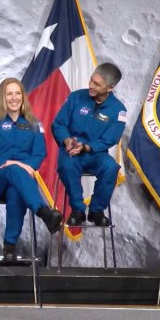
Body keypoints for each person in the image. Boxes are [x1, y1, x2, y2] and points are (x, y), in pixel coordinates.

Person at [0, 78, 63, 261]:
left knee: (16, 191)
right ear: (3, 97)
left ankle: (9, 247)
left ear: (23, 96)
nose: (14, 98)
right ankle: (43, 212)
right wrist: (14, 164)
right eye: (9, 94)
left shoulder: (34, 124)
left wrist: (25, 167)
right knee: (15, 171)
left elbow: (39, 155)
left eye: (17, 93)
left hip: (22, 181)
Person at [51, 62, 126, 227]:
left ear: (110, 87)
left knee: (111, 167)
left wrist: (86, 148)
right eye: (91, 80)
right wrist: (67, 140)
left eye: (97, 84)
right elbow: (59, 124)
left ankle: (96, 211)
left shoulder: (119, 110)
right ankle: (77, 210)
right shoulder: (75, 97)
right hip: (71, 150)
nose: (91, 85)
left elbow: (110, 139)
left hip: (96, 153)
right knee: (67, 165)